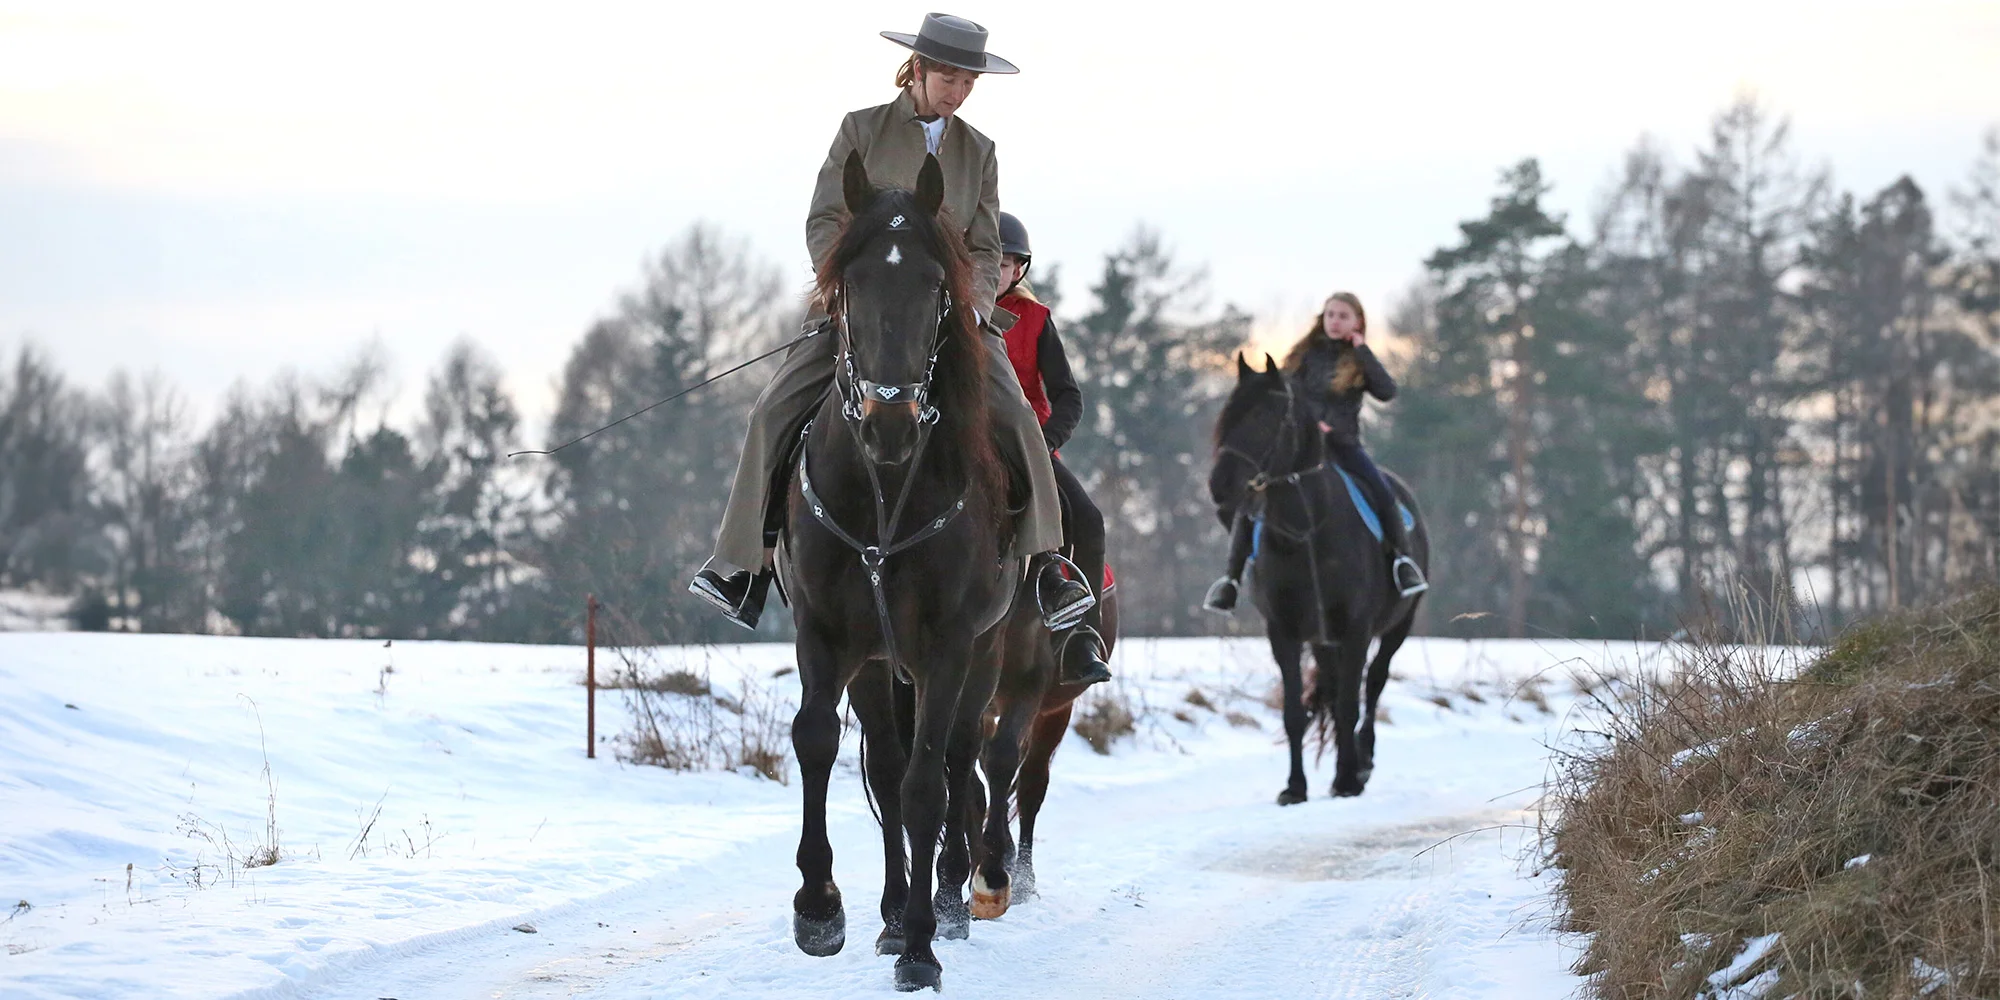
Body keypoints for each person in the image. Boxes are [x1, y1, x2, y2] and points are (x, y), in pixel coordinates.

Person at [689, 14, 1094, 645]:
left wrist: (972, 306)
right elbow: (826, 218)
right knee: (770, 412)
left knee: (1015, 416)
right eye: (949, 77)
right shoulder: (862, 129)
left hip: (951, 315)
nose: (957, 91)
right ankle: (747, 564)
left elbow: (985, 247)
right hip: (860, 309)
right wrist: (846, 288)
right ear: (920, 69)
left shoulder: (978, 151)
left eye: (968, 82)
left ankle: (1047, 565)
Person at [1204, 292, 1427, 613]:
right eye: (1331, 314)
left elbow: (1386, 391)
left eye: (1343, 316)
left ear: (1357, 322)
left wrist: (1362, 350)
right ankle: (1231, 578)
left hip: (1344, 446)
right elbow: (1282, 400)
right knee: (1253, 501)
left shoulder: (1358, 360)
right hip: (1302, 451)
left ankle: (1402, 562)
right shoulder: (1301, 356)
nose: (1335, 321)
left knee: (1380, 489)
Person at [995, 212, 1112, 685]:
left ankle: (1082, 634)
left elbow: (1069, 397)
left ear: (1019, 270)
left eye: (1006, 263)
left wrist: (1043, 443)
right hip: (958, 441)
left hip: (1028, 446)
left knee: (1088, 518)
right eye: (987, 261)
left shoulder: (1036, 319)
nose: (996, 271)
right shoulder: (946, 310)